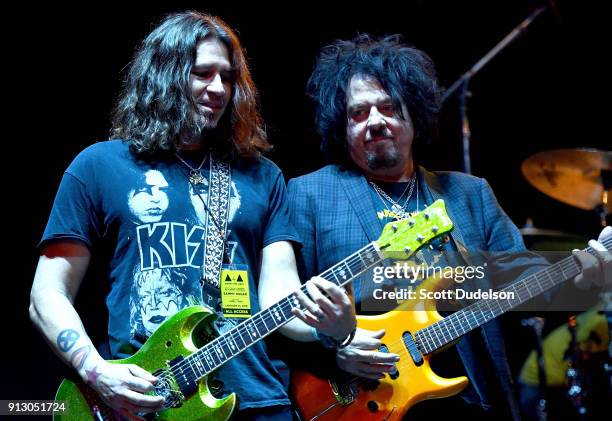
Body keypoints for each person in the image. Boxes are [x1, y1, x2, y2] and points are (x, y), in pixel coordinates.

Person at [29, 12, 356, 421]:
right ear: (164, 74)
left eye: (227, 77)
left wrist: (333, 328)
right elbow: (47, 294)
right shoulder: (97, 166)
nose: (218, 88)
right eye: (202, 73)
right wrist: (96, 371)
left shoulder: (262, 175)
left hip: (257, 401)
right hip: (148, 402)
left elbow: (280, 299)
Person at [287, 34, 611, 420]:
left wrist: (584, 274)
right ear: (342, 125)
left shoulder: (468, 194)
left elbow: (527, 283)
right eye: (359, 113)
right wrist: (338, 349)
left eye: (389, 107)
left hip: (471, 401)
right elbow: (285, 315)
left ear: (414, 113)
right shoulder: (310, 194)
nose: (375, 121)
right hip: (363, 403)